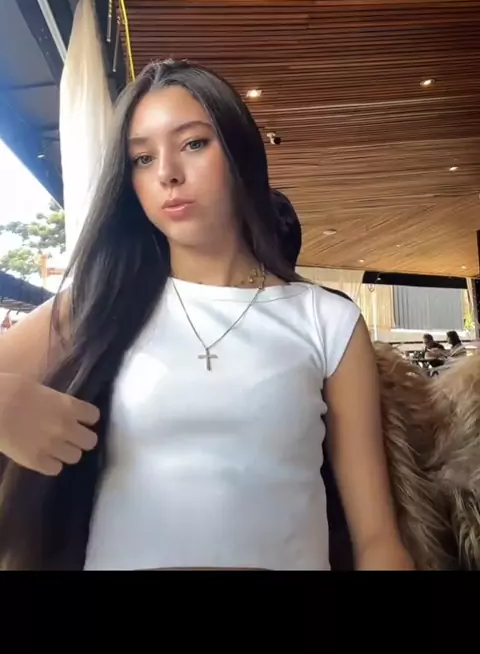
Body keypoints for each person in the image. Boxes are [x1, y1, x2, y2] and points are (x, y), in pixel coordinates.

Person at [0, 59, 413, 571]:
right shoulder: (97, 302)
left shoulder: (327, 320)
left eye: (194, 143)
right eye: (142, 158)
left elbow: (377, 538)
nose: (167, 173)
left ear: (240, 153)